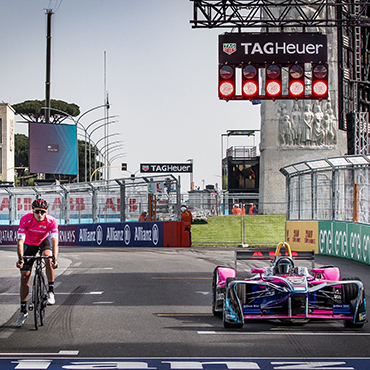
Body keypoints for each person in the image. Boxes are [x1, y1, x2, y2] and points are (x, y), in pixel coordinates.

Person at [15, 199, 59, 327]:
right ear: (33, 211)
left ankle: (51, 291)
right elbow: (20, 242)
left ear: (46, 212)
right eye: (37, 212)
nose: (40, 214)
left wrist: (55, 259)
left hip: (44, 242)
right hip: (30, 244)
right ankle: (23, 311)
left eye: (43, 212)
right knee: (24, 276)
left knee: (48, 257)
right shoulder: (25, 219)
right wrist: (20, 258)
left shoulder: (51, 221)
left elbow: (55, 242)